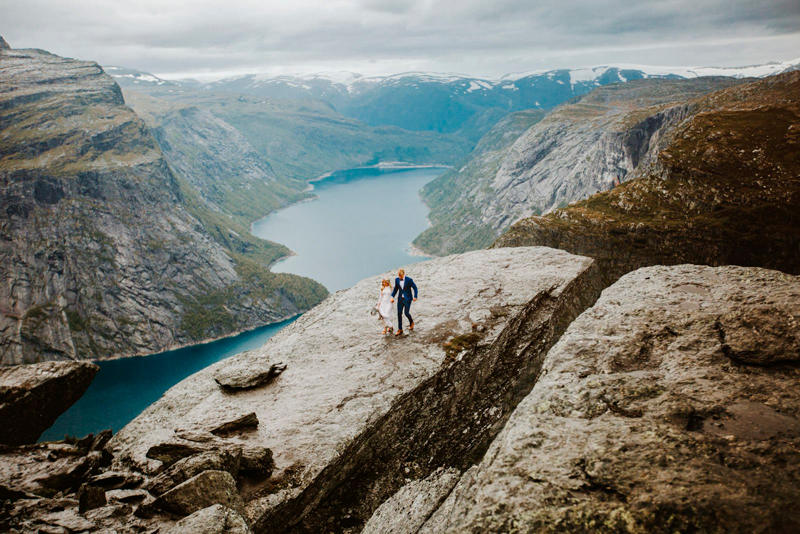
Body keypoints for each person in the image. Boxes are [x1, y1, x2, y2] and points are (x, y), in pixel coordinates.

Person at [391, 268, 418, 336]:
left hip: (408, 299)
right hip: (400, 299)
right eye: (399, 275)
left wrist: (415, 296)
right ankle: (400, 329)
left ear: (403, 274)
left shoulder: (409, 280)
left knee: (406, 313)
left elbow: (415, 287)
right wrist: (392, 296)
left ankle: (411, 322)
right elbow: (396, 289)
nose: (399, 277)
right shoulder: (397, 280)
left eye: (401, 275)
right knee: (399, 313)